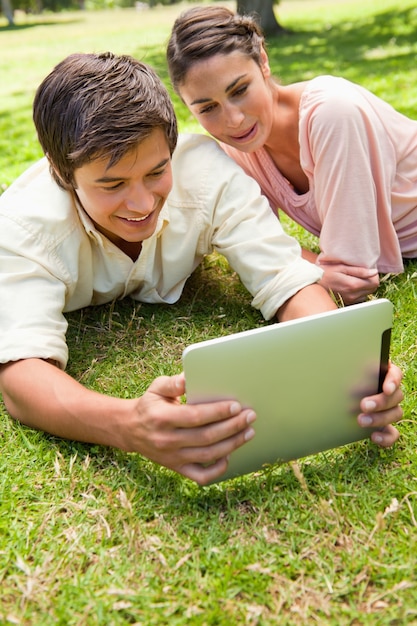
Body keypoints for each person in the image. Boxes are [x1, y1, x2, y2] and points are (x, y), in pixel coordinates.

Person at [0, 53, 403, 487]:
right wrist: (128, 423)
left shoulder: (207, 174)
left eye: (157, 172)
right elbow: (21, 377)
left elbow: (285, 278)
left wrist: (345, 364)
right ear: (61, 171)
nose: (141, 204)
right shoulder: (23, 227)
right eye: (112, 184)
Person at [166, 6, 417, 305]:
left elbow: (352, 276)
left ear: (263, 62)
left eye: (240, 90)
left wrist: (306, 266)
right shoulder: (237, 150)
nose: (232, 120)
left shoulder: (333, 113)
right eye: (207, 108)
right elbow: (258, 245)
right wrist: (317, 270)